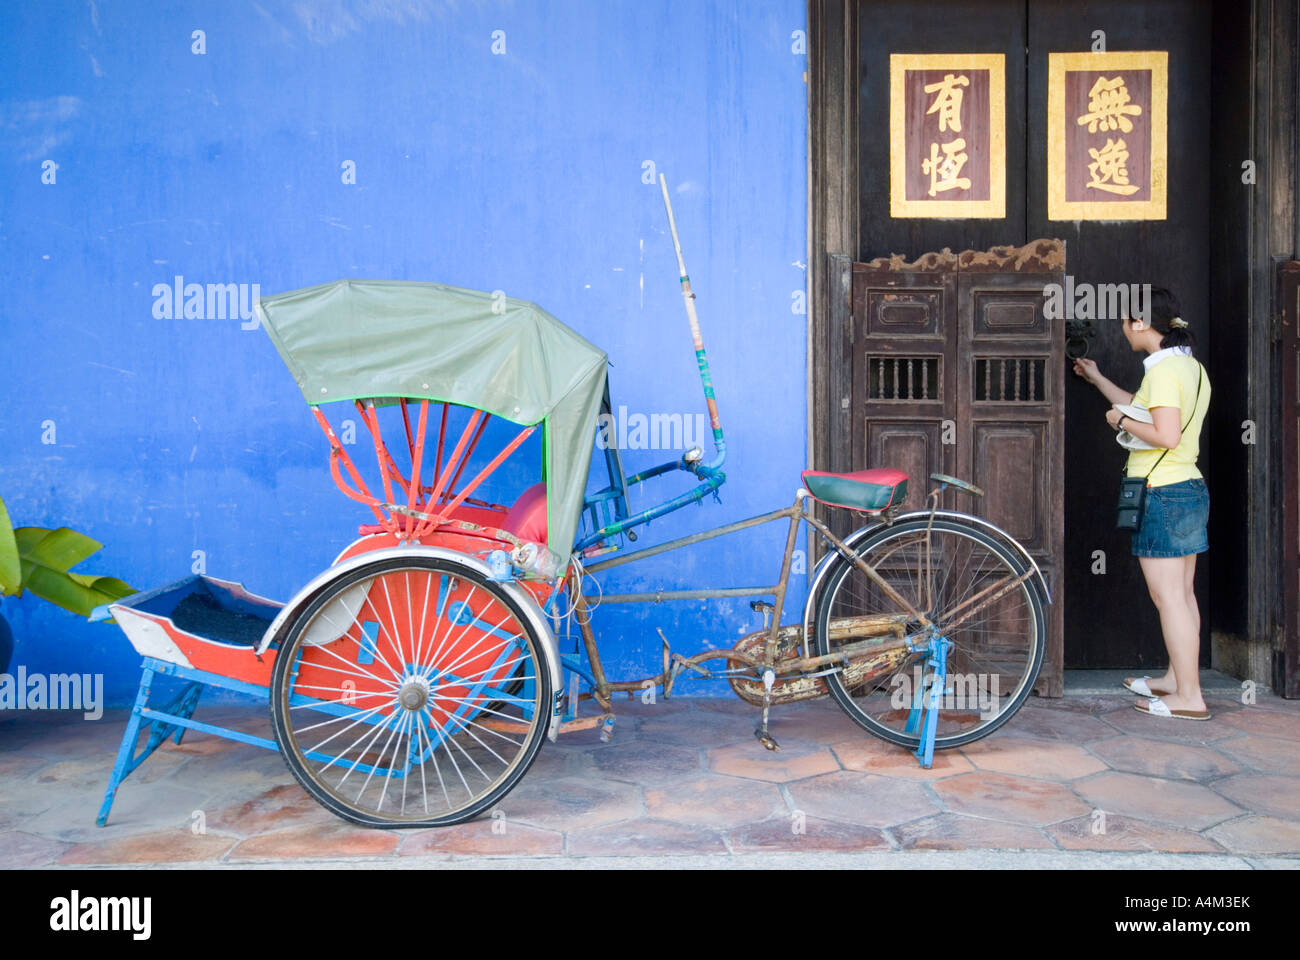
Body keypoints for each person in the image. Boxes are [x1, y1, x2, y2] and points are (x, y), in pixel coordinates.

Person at [1072, 287, 1212, 720]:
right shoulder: (1188, 368)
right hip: (1186, 486)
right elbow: (1146, 409)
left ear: (1140, 323)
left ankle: (1190, 698)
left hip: (1163, 493)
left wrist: (1121, 420)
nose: (1123, 330)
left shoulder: (1166, 372)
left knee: (1168, 596)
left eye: (1125, 322)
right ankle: (1178, 679)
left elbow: (1163, 434)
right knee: (1182, 595)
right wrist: (1098, 380)